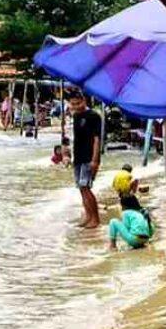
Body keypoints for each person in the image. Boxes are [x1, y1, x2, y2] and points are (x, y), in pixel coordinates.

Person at [67, 90, 103, 228]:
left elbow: (97, 139)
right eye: (72, 104)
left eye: (78, 103)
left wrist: (95, 160)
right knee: (81, 188)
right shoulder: (75, 116)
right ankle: (88, 215)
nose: (75, 106)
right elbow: (73, 138)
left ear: (84, 101)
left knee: (86, 187)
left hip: (89, 157)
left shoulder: (94, 116)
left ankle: (96, 218)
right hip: (78, 157)